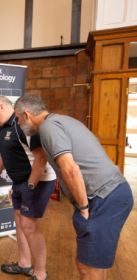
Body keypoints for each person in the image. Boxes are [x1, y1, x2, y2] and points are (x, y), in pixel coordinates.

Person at [14, 92, 134, 280]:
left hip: (103, 198)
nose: (19, 124)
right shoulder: (61, 120)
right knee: (96, 264)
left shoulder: (48, 128)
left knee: (86, 267)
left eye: (19, 119)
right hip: (115, 193)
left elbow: (70, 170)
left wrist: (83, 207)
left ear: (27, 115)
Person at [0, 95, 56, 280]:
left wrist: (30, 185)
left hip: (37, 181)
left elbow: (41, 158)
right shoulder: (1, 128)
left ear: (1, 107)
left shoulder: (23, 124)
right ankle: (24, 264)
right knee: (19, 221)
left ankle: (41, 274)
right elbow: (0, 156)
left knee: (29, 226)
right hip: (21, 182)